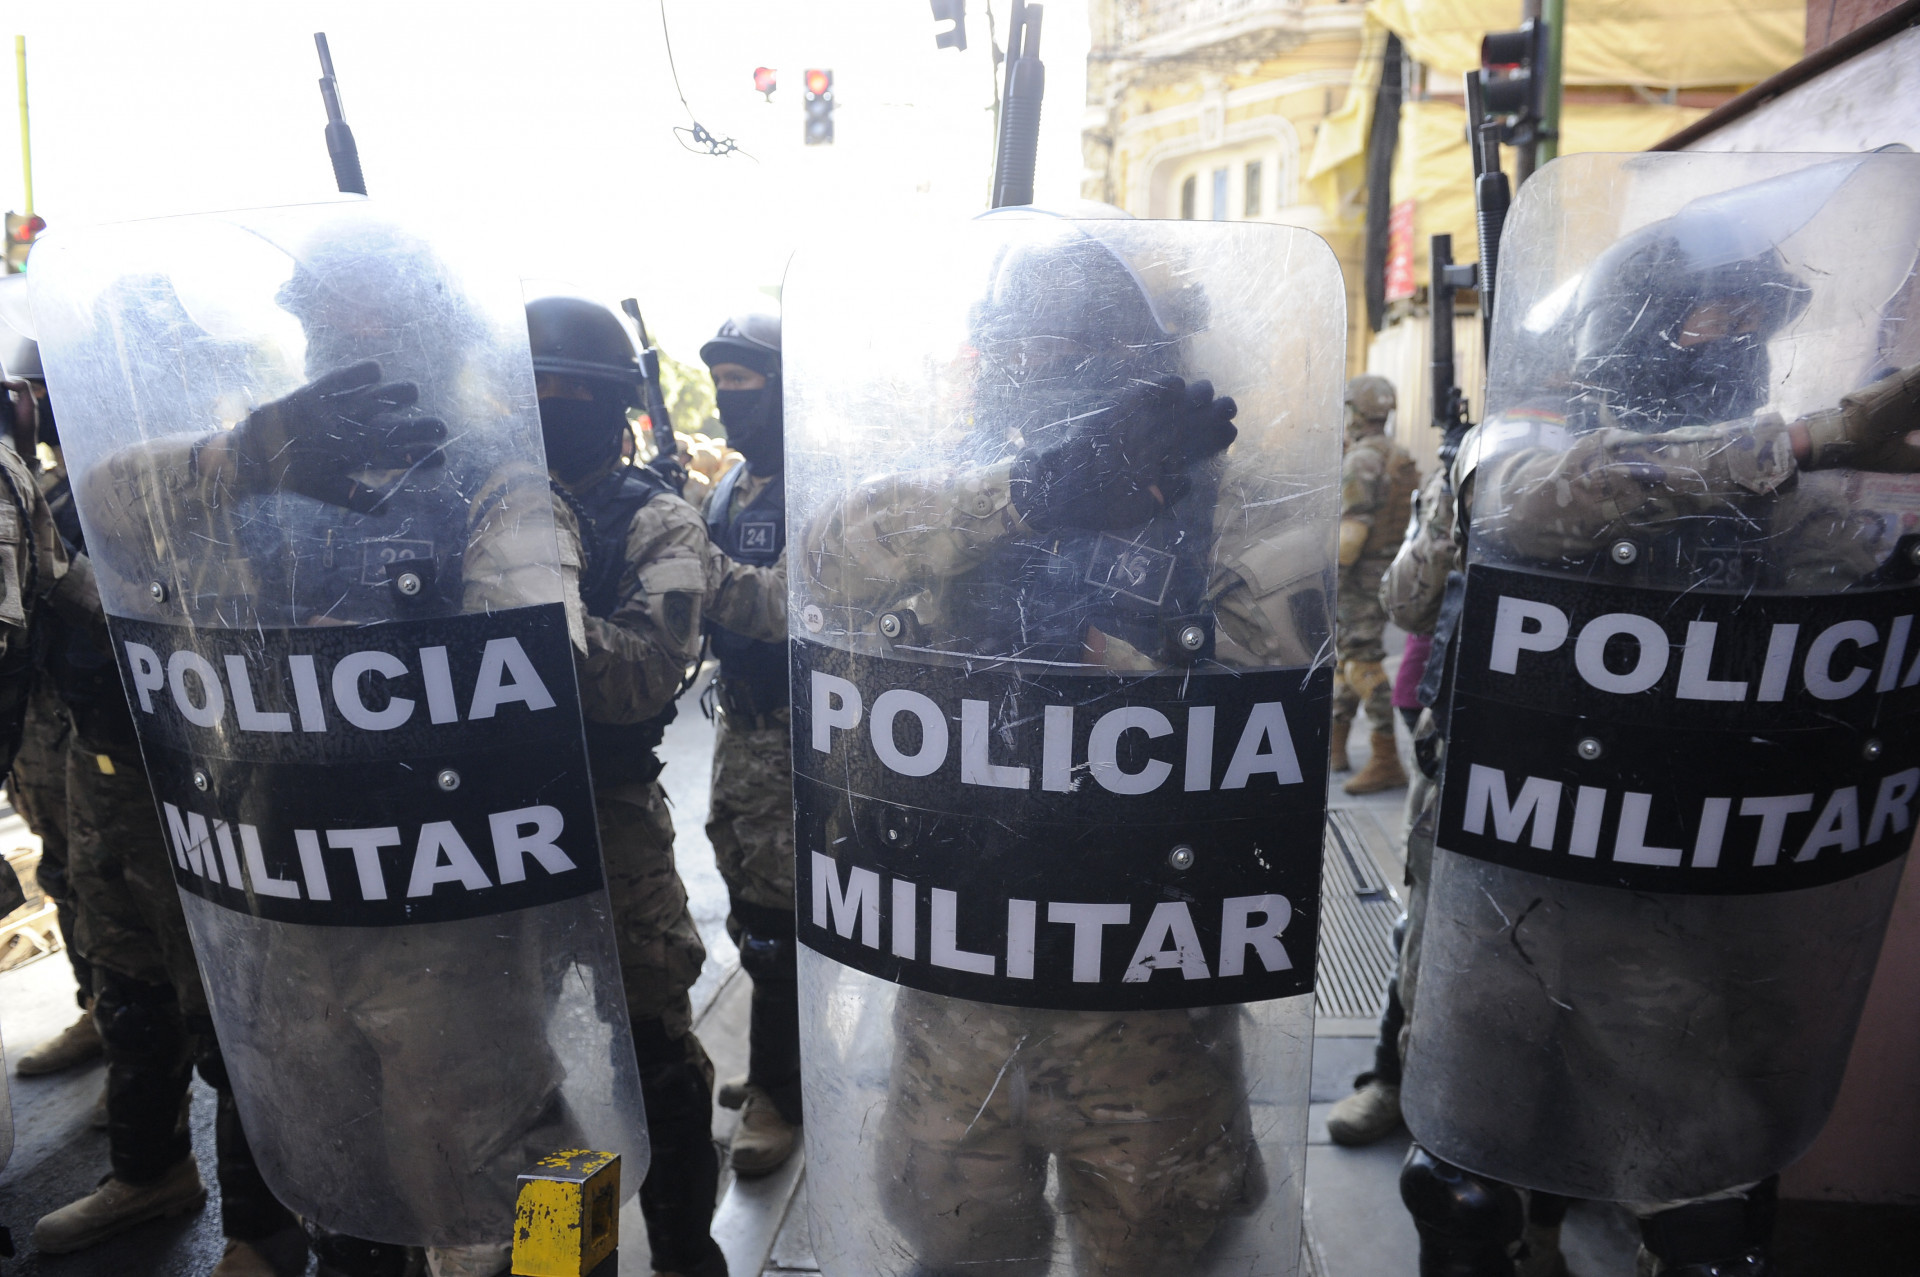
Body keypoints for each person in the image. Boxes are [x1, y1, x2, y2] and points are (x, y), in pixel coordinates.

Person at [1393, 159, 1920, 1277]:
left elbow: (1852, 578)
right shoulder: (1522, 446)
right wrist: (1800, 444)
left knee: (1700, 1175)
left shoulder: (1768, 483)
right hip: (1502, 870)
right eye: (1709, 312)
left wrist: (1875, 509)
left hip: (1665, 880)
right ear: (1637, 326)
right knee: (1469, 1169)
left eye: (1751, 316)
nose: (1736, 335)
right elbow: (1497, 528)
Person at [794, 218, 1332, 1275]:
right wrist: (1026, 491)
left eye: (1065, 349)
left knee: (1154, 1244)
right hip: (962, 975)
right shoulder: (966, 487)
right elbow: (824, 561)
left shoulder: (1235, 503)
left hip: (1143, 986)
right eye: (1020, 347)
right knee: (954, 1237)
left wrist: (1146, 681)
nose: (1032, 370)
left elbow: (1275, 733)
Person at [526, 295, 730, 1277]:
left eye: (572, 390)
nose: (552, 404)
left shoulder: (656, 518)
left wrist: (535, 611)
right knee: (542, 1082)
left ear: (615, 408)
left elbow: (645, 674)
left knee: (648, 1063)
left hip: (610, 827)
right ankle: (572, 1263)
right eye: (536, 388)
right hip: (503, 832)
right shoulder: (483, 507)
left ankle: (688, 1254)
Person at [693, 313, 801, 1176]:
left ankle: (783, 1092)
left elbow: (786, 603)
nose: (732, 399)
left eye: (747, 381)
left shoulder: (823, 487)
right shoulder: (731, 488)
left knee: (781, 915)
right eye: (721, 383)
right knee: (745, 895)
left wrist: (690, 565)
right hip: (740, 728)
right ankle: (774, 1060)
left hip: (800, 742)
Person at [0, 326, 101, 1080]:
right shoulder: (45, 486)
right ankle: (99, 1010)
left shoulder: (102, 490)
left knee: (102, 881)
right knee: (66, 872)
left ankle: (131, 1028)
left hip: (81, 721)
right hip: (37, 718)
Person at [1331, 374, 1415, 794]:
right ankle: (1335, 747)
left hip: (1358, 579)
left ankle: (1386, 760)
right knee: (1347, 656)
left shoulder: (1361, 459)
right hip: (1385, 574)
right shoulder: (1397, 454)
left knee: (1361, 660)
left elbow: (1352, 532)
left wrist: (1329, 578)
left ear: (1353, 412)